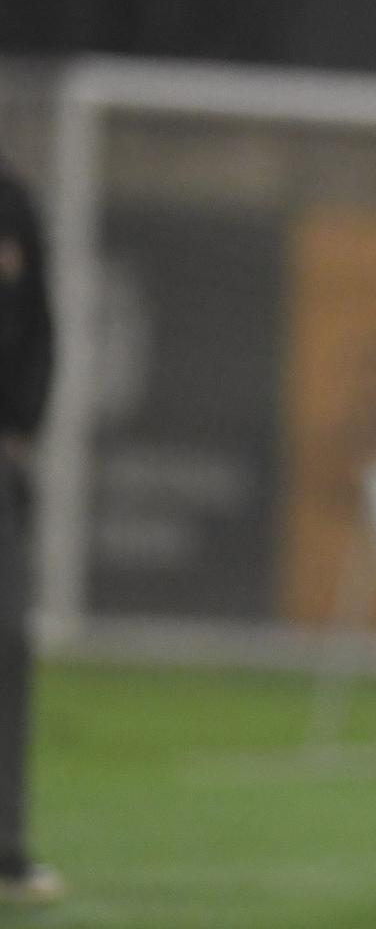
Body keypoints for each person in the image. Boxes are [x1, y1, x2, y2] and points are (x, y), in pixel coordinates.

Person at [0, 163, 61, 905]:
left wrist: (23, 424)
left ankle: (5, 846)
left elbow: (40, 321)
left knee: (7, 640)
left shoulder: (11, 200)